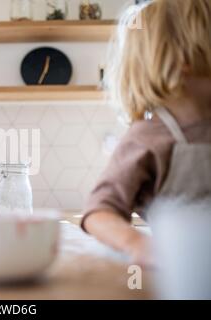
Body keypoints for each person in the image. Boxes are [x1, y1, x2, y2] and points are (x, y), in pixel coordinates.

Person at [81, 0, 211, 266]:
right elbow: (99, 212)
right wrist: (137, 244)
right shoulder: (148, 138)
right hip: (184, 273)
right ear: (184, 60)